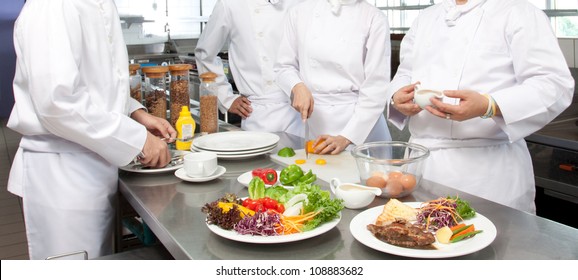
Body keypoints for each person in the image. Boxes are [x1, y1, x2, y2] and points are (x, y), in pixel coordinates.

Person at [7, 0, 177, 259]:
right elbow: (57, 103)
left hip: (96, 163)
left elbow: (100, 82)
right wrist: (138, 138)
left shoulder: (101, 4)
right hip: (63, 173)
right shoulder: (53, 6)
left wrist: (136, 113)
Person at [386, 0, 574, 213]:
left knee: (494, 242)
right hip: (423, 166)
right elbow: (405, 72)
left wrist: (489, 105)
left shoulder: (519, 12)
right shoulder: (426, 18)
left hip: (488, 174)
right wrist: (396, 95)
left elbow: (555, 84)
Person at [274, 0, 392, 154]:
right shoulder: (298, 12)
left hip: (362, 125)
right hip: (317, 121)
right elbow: (283, 67)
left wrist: (346, 137)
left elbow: (376, 86)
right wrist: (297, 86)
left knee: (369, 177)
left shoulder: (374, 17)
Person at [194, 0, 305, 136]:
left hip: (301, 111)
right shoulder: (229, 4)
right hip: (258, 116)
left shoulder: (300, 3)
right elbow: (205, 54)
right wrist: (226, 98)